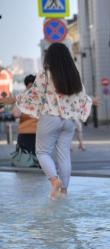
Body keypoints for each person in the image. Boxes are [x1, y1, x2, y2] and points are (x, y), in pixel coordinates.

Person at [0, 43, 93, 200]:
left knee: (43, 152)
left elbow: (33, 95)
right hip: (69, 120)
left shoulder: (46, 74)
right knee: (64, 155)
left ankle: (54, 181)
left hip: (50, 117)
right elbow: (82, 97)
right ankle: (64, 191)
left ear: (49, 57)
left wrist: (12, 100)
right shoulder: (73, 74)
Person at [12, 74, 38, 157]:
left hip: (32, 133)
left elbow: (16, 114)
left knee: (26, 159)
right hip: (29, 132)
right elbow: (16, 114)